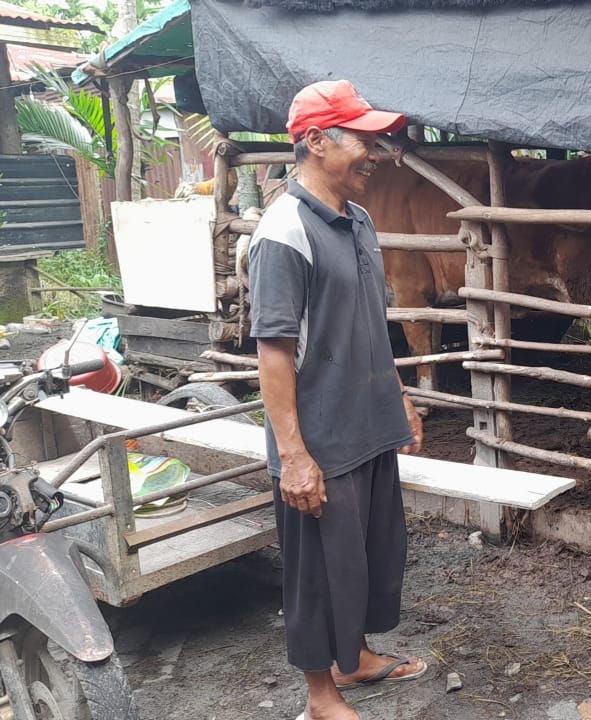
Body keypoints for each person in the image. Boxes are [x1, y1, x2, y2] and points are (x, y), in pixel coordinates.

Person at [247, 79, 428, 720]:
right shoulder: (283, 231)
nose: (375, 154)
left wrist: (399, 397)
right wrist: (294, 456)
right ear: (318, 141)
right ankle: (320, 696)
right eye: (363, 140)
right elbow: (273, 352)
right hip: (320, 438)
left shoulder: (358, 220)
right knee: (319, 571)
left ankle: (354, 661)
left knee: (368, 558)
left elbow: (369, 324)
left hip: (367, 423)